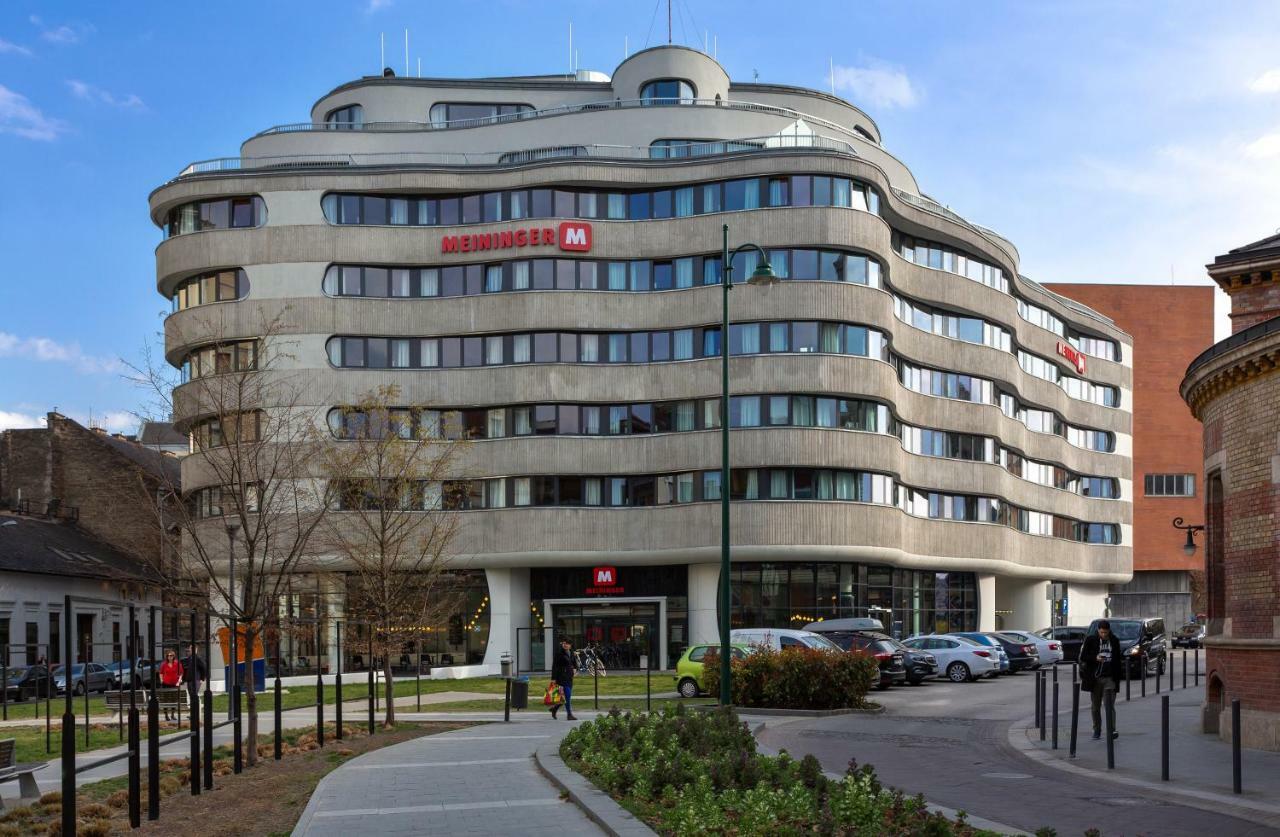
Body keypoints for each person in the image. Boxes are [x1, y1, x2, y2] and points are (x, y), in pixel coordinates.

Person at [1079, 620, 1123, 740]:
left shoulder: (1114, 641)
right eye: (1101, 632)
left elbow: (1118, 661)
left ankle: (1112, 730)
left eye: (1106, 632)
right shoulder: (1091, 640)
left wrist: (1118, 679)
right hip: (1095, 679)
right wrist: (1095, 658)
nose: (1103, 635)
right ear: (1098, 630)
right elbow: (1083, 657)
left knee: (1109, 705)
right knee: (1095, 706)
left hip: (1110, 678)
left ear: (1109, 631)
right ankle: (1097, 729)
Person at [549, 638, 577, 721]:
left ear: (570, 645)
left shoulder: (571, 652)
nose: (565, 645)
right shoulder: (559, 653)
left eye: (567, 644)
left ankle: (554, 709)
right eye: (564, 643)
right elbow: (555, 666)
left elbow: (574, 663)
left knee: (563, 698)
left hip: (569, 677)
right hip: (561, 677)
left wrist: (575, 669)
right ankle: (569, 715)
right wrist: (553, 678)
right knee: (567, 696)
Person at [158, 650, 184, 721]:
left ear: (173, 656)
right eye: (168, 656)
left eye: (171, 655)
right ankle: (166, 715)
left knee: (174, 699)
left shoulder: (178, 664)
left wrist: (179, 681)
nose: (170, 657)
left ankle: (172, 715)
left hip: (174, 684)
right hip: (166, 684)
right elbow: (161, 673)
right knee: (165, 700)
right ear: (167, 657)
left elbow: (181, 673)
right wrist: (161, 680)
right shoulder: (164, 664)